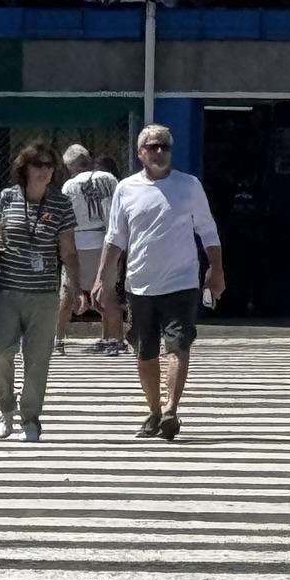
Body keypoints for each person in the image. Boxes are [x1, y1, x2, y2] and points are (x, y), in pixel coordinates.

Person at [96, 124, 224, 441]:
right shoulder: (126, 189)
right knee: (145, 352)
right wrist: (102, 279)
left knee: (178, 346)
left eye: (164, 146)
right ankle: (153, 411)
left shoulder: (188, 186)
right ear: (140, 153)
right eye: (152, 146)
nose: (158, 151)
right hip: (140, 285)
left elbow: (208, 231)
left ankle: (170, 411)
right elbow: (115, 238)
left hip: (181, 283)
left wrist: (216, 271)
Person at [0, 140, 77, 442]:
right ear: (24, 168)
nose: (44, 170)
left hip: (43, 294)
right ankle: (5, 406)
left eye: (50, 165)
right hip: (6, 290)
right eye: (38, 164)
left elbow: (68, 250)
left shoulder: (61, 203)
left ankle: (31, 417)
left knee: (38, 359)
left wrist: (74, 284)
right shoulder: (7, 197)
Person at [60, 144, 125, 355]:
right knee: (106, 291)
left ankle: (56, 338)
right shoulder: (110, 180)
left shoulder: (69, 187)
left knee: (68, 290)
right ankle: (113, 339)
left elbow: (66, 220)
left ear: (72, 165)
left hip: (80, 242)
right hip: (108, 240)